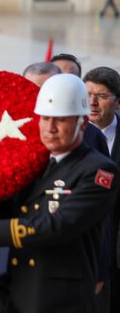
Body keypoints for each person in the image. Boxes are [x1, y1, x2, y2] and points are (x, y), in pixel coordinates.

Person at [0, 73, 120, 312]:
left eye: (60, 120)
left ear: (82, 122)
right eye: (45, 118)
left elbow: (58, 226)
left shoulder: (99, 171)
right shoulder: (32, 164)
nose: (50, 128)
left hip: (59, 300)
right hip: (11, 294)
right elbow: (4, 206)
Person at [84, 66, 120, 311]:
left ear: (118, 103)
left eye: (102, 96)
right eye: (87, 95)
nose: (93, 103)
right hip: (86, 252)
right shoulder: (72, 134)